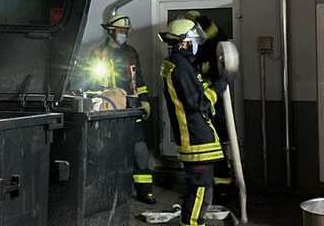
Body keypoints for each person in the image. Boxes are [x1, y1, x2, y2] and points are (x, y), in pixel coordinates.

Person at [79, 14, 156, 205]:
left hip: (131, 107)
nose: (124, 34)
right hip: (108, 109)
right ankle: (107, 190)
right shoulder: (97, 54)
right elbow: (87, 83)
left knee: (140, 151)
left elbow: (139, 81)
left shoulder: (131, 53)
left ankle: (144, 191)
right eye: (121, 31)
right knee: (107, 151)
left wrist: (144, 101)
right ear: (111, 31)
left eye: (126, 31)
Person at [158, 18, 225, 226]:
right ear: (185, 43)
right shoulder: (181, 67)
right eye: (195, 41)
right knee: (199, 189)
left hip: (197, 136)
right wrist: (220, 86)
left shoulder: (179, 64)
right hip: (196, 139)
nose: (198, 46)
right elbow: (199, 102)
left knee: (203, 188)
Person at [183, 11, 235, 202]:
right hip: (201, 108)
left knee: (218, 149)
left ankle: (223, 190)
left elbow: (217, 36)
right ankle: (207, 189)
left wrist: (199, 19)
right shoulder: (190, 55)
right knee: (205, 154)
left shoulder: (211, 48)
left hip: (214, 106)